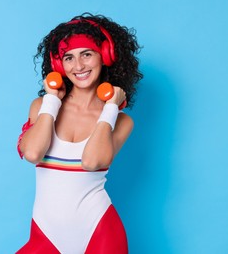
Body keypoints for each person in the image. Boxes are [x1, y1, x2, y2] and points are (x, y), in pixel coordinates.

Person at [16, 13, 143, 253]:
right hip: (45, 235)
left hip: (100, 233)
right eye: (69, 58)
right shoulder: (42, 107)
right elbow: (32, 153)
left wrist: (111, 108)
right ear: (58, 65)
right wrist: (52, 100)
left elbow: (92, 161)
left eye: (87, 54)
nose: (79, 66)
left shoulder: (121, 121)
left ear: (105, 57)